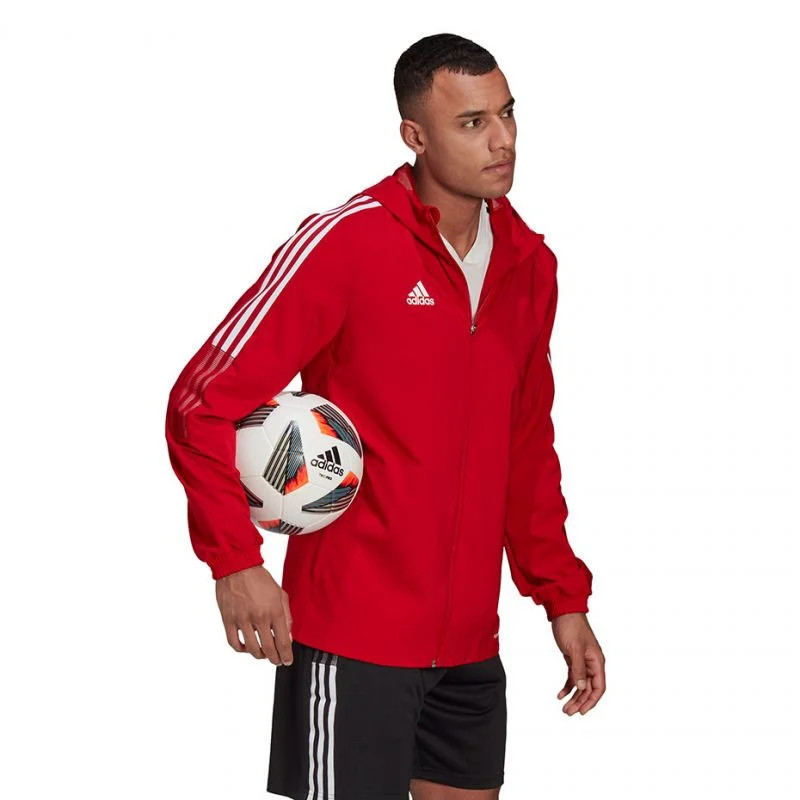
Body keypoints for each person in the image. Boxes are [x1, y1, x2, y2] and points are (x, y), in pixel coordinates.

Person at [165, 32, 606, 800]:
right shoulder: (348, 241)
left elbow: (527, 449)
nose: (502, 139)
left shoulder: (529, 264)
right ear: (415, 136)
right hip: (349, 641)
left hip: (469, 649)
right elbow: (202, 401)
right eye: (471, 122)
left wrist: (563, 599)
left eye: (507, 114)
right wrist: (235, 560)